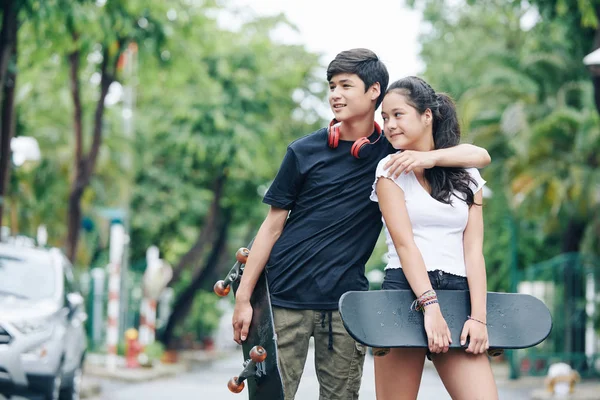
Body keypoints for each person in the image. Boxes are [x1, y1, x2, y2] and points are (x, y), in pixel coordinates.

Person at [232, 49, 491, 400]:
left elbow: (477, 156)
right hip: (284, 295)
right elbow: (271, 227)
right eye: (331, 86)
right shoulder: (304, 152)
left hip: (344, 301)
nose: (335, 94)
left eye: (345, 85)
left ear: (374, 91)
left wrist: (427, 156)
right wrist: (245, 297)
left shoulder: (392, 150)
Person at [370, 75, 498, 400]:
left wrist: (478, 318)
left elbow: (473, 251)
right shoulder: (389, 169)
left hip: (459, 294)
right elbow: (404, 244)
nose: (389, 124)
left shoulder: (467, 175)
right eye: (384, 117)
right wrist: (430, 307)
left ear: (427, 115)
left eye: (398, 114)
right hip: (405, 294)